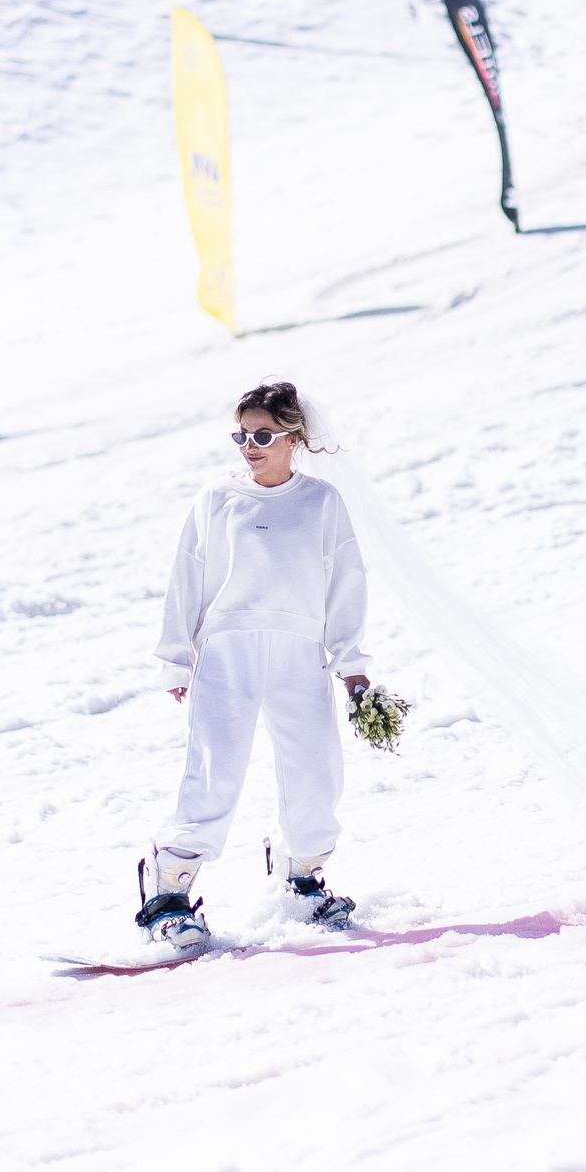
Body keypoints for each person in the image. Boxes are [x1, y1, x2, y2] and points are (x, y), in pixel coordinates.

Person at [138, 381, 372, 948]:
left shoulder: (321, 502)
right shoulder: (219, 498)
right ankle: (168, 892)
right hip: (228, 649)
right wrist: (176, 659)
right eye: (240, 435)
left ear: (293, 437)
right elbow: (187, 573)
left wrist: (352, 665)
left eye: (262, 434)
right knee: (216, 769)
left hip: (299, 651)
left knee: (315, 768)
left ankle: (301, 881)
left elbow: (346, 582)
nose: (249, 444)